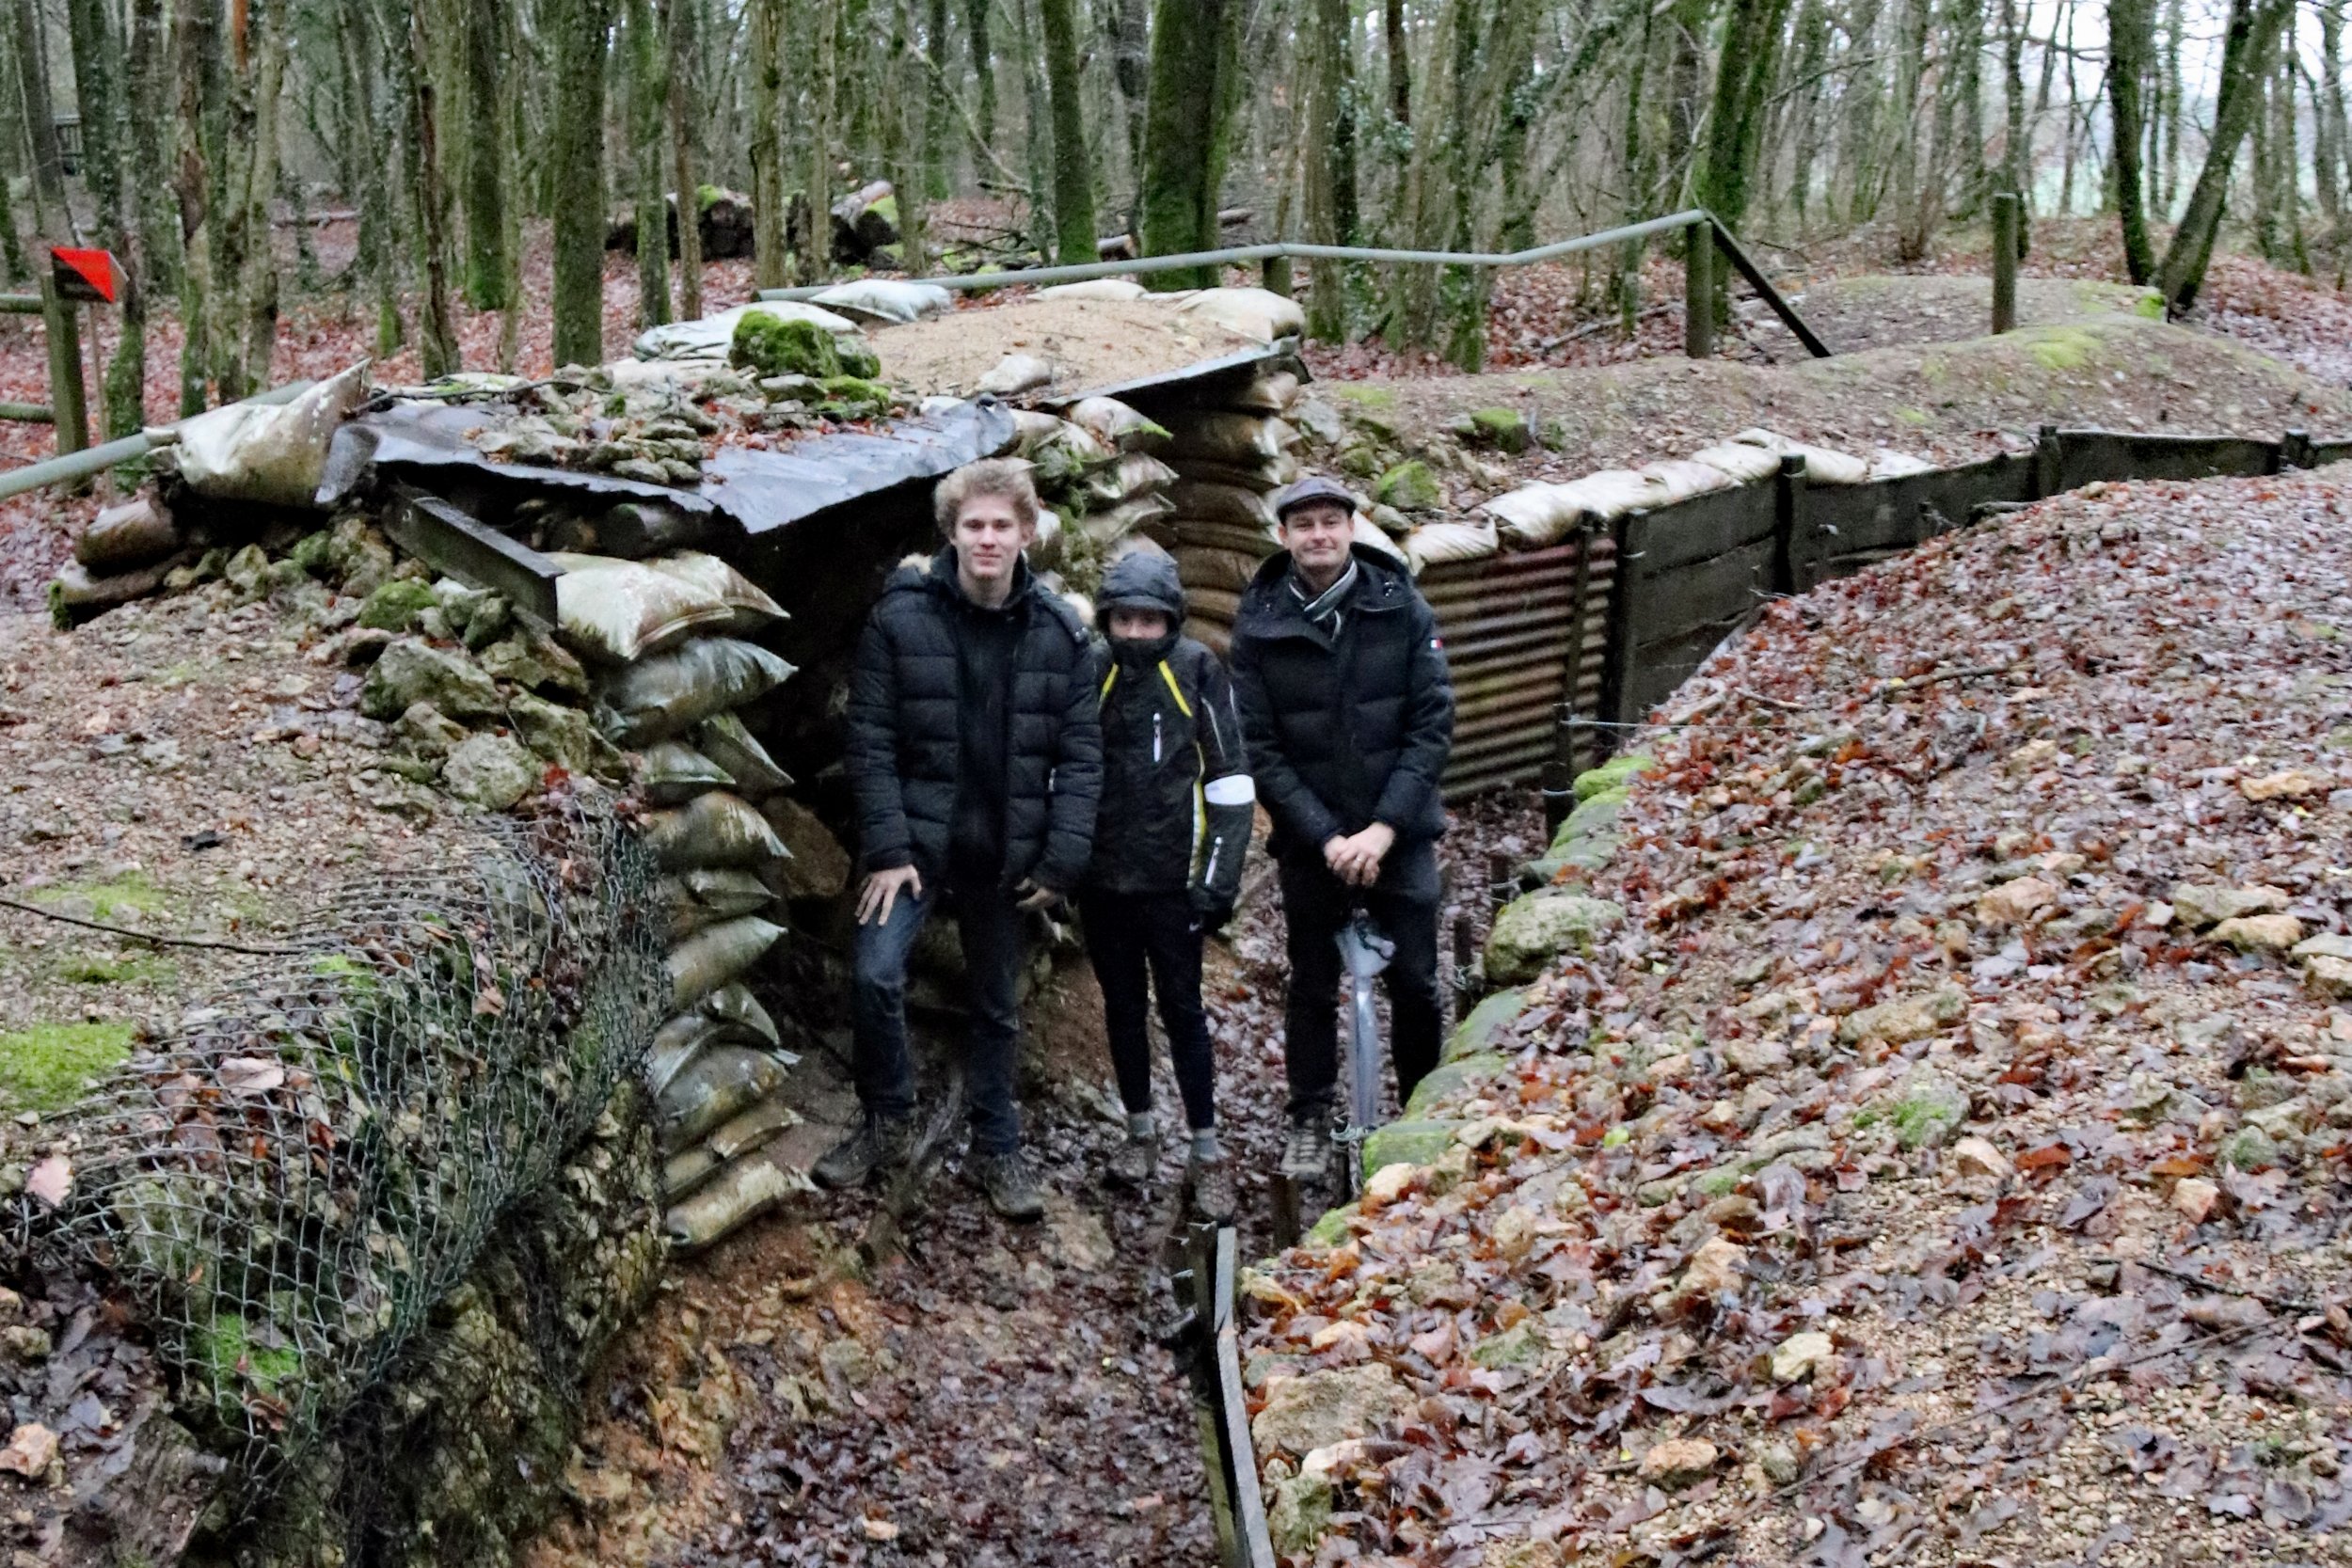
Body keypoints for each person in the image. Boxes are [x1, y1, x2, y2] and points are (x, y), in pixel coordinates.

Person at [817, 458, 1103, 1222]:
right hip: (914, 842)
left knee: (996, 1003)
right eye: (973, 525)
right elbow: (870, 738)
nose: (986, 538)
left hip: (1001, 852)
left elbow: (1081, 755)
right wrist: (887, 848)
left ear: (1027, 531)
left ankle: (996, 1145)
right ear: (951, 532)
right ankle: (887, 1119)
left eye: (1001, 525)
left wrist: (1060, 858)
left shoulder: (1062, 634)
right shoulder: (900, 619)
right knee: (876, 974)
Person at [1229, 475, 1455, 1180]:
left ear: (1352, 529)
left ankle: (1425, 1107)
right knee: (1311, 983)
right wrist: (1327, 836)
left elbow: (1431, 725)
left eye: (1331, 522)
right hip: (1312, 841)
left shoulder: (1402, 608)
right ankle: (1309, 1118)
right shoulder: (1259, 622)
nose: (1318, 536)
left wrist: (1385, 829)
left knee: (1417, 980)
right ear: (1284, 536)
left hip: (1399, 833)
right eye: (1304, 525)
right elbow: (1258, 747)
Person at [1079, 549, 1254, 1222]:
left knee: (1182, 1010)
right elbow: (1067, 767)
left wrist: (1216, 880)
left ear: (1172, 621)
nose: (1137, 633)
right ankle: (1139, 1132)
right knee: (1121, 1008)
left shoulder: (1196, 670)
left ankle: (1206, 1148)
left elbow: (1230, 778)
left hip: (1174, 884)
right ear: (1107, 619)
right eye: (1125, 619)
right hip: (1104, 882)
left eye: (1151, 621)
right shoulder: (1093, 670)